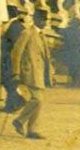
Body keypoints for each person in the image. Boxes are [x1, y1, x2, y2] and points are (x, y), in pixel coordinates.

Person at [10, 11, 51, 139]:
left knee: (39, 101)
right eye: (43, 19)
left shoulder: (42, 35)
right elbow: (16, 52)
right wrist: (16, 71)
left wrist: (50, 72)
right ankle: (19, 121)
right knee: (37, 99)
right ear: (36, 19)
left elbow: (45, 56)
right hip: (29, 71)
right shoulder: (27, 33)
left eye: (46, 20)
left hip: (39, 72)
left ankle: (32, 130)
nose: (45, 22)